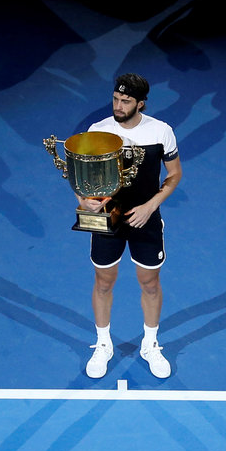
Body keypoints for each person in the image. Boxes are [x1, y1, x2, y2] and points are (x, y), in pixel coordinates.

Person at [77, 73, 183, 379]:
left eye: (125, 101)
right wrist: (84, 200)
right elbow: (81, 177)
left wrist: (150, 206)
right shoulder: (98, 131)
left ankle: (150, 344)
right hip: (107, 217)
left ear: (141, 104)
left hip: (145, 219)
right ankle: (103, 344)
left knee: (150, 284)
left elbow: (174, 174)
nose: (118, 106)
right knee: (103, 282)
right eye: (115, 99)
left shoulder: (161, 132)